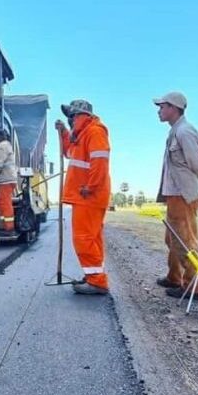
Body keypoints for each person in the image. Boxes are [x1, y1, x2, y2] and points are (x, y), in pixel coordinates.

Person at [153, 91, 198, 298]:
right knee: (173, 239)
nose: (159, 111)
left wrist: (191, 187)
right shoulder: (175, 131)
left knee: (185, 241)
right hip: (175, 195)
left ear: (173, 108)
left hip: (183, 195)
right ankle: (174, 277)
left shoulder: (185, 131)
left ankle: (193, 287)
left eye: (162, 107)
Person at [56, 99, 112, 295]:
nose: (70, 121)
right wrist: (63, 133)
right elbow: (69, 152)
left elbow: (100, 161)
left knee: (84, 238)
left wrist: (91, 185)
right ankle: (95, 276)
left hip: (89, 194)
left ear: (81, 116)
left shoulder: (95, 131)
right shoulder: (82, 136)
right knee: (92, 238)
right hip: (87, 194)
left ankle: (97, 281)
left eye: (72, 117)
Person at [0, 129, 18, 237]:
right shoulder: (6, 144)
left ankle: (9, 228)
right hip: (8, 178)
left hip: (5, 180)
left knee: (5, 204)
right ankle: (5, 225)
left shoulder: (1, 147)